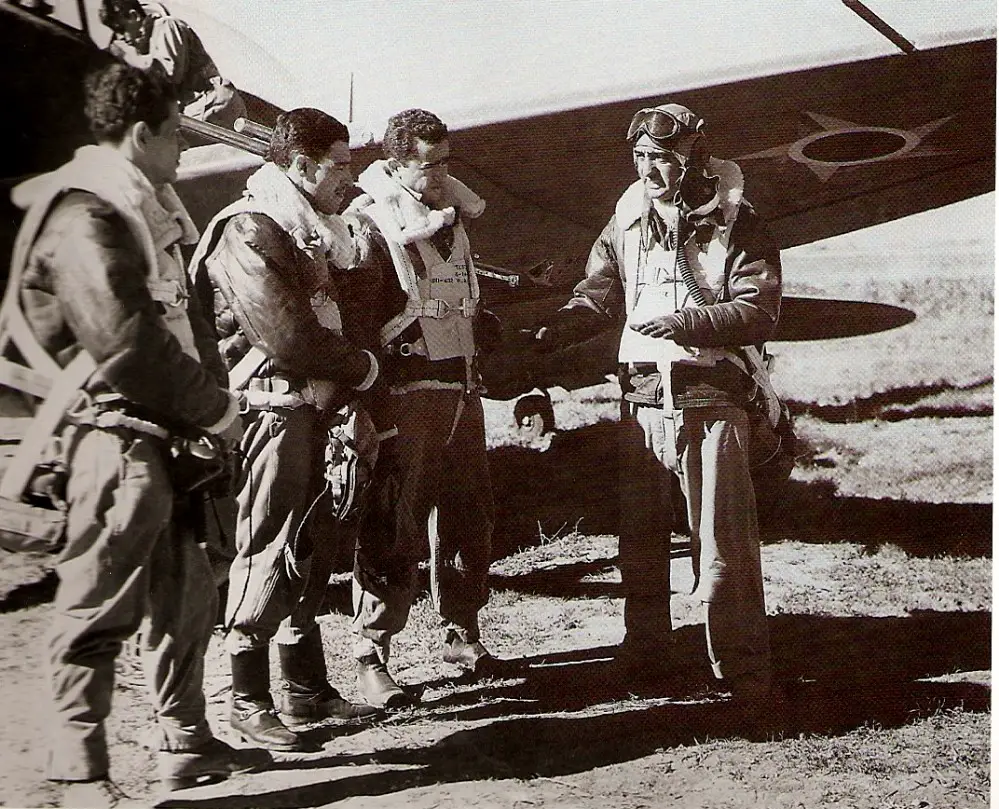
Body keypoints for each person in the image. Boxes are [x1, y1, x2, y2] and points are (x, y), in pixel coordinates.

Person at [5, 62, 269, 808]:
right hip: (109, 441)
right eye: (178, 133)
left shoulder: (138, 207)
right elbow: (125, 342)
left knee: (184, 599)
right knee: (95, 609)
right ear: (143, 133)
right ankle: (78, 777)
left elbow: (175, 321)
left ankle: (184, 741)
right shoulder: (85, 215)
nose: (185, 148)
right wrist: (217, 409)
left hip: (161, 438)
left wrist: (206, 409)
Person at [530, 103, 784, 733]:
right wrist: (554, 328)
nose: (648, 167)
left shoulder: (736, 219)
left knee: (722, 541)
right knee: (639, 539)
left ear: (694, 154)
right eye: (640, 156)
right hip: (642, 396)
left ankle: (744, 674)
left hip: (709, 395)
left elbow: (759, 310)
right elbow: (600, 290)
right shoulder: (625, 217)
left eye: (662, 156)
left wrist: (687, 323)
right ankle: (646, 650)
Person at [188, 107, 386, 753]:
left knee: (313, 545)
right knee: (267, 546)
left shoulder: (316, 228)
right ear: (300, 164)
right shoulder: (249, 227)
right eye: (338, 165)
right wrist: (360, 367)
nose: (347, 179)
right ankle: (246, 697)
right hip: (272, 410)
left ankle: (306, 688)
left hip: (314, 407)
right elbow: (287, 335)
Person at [346, 108, 508, 710]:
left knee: (471, 516)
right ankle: (370, 652)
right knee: (394, 522)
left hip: (462, 390)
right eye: (426, 164)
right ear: (394, 163)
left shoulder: (453, 220)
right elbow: (360, 322)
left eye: (446, 163)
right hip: (406, 393)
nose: (439, 175)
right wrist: (365, 404)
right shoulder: (369, 225)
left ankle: (461, 631)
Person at [99, 0, 246, 129]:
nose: (120, 38)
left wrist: (127, 55)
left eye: (120, 29)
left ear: (134, 16)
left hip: (212, 104)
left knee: (161, 140)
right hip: (198, 111)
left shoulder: (166, 26)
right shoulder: (145, 48)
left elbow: (169, 77)